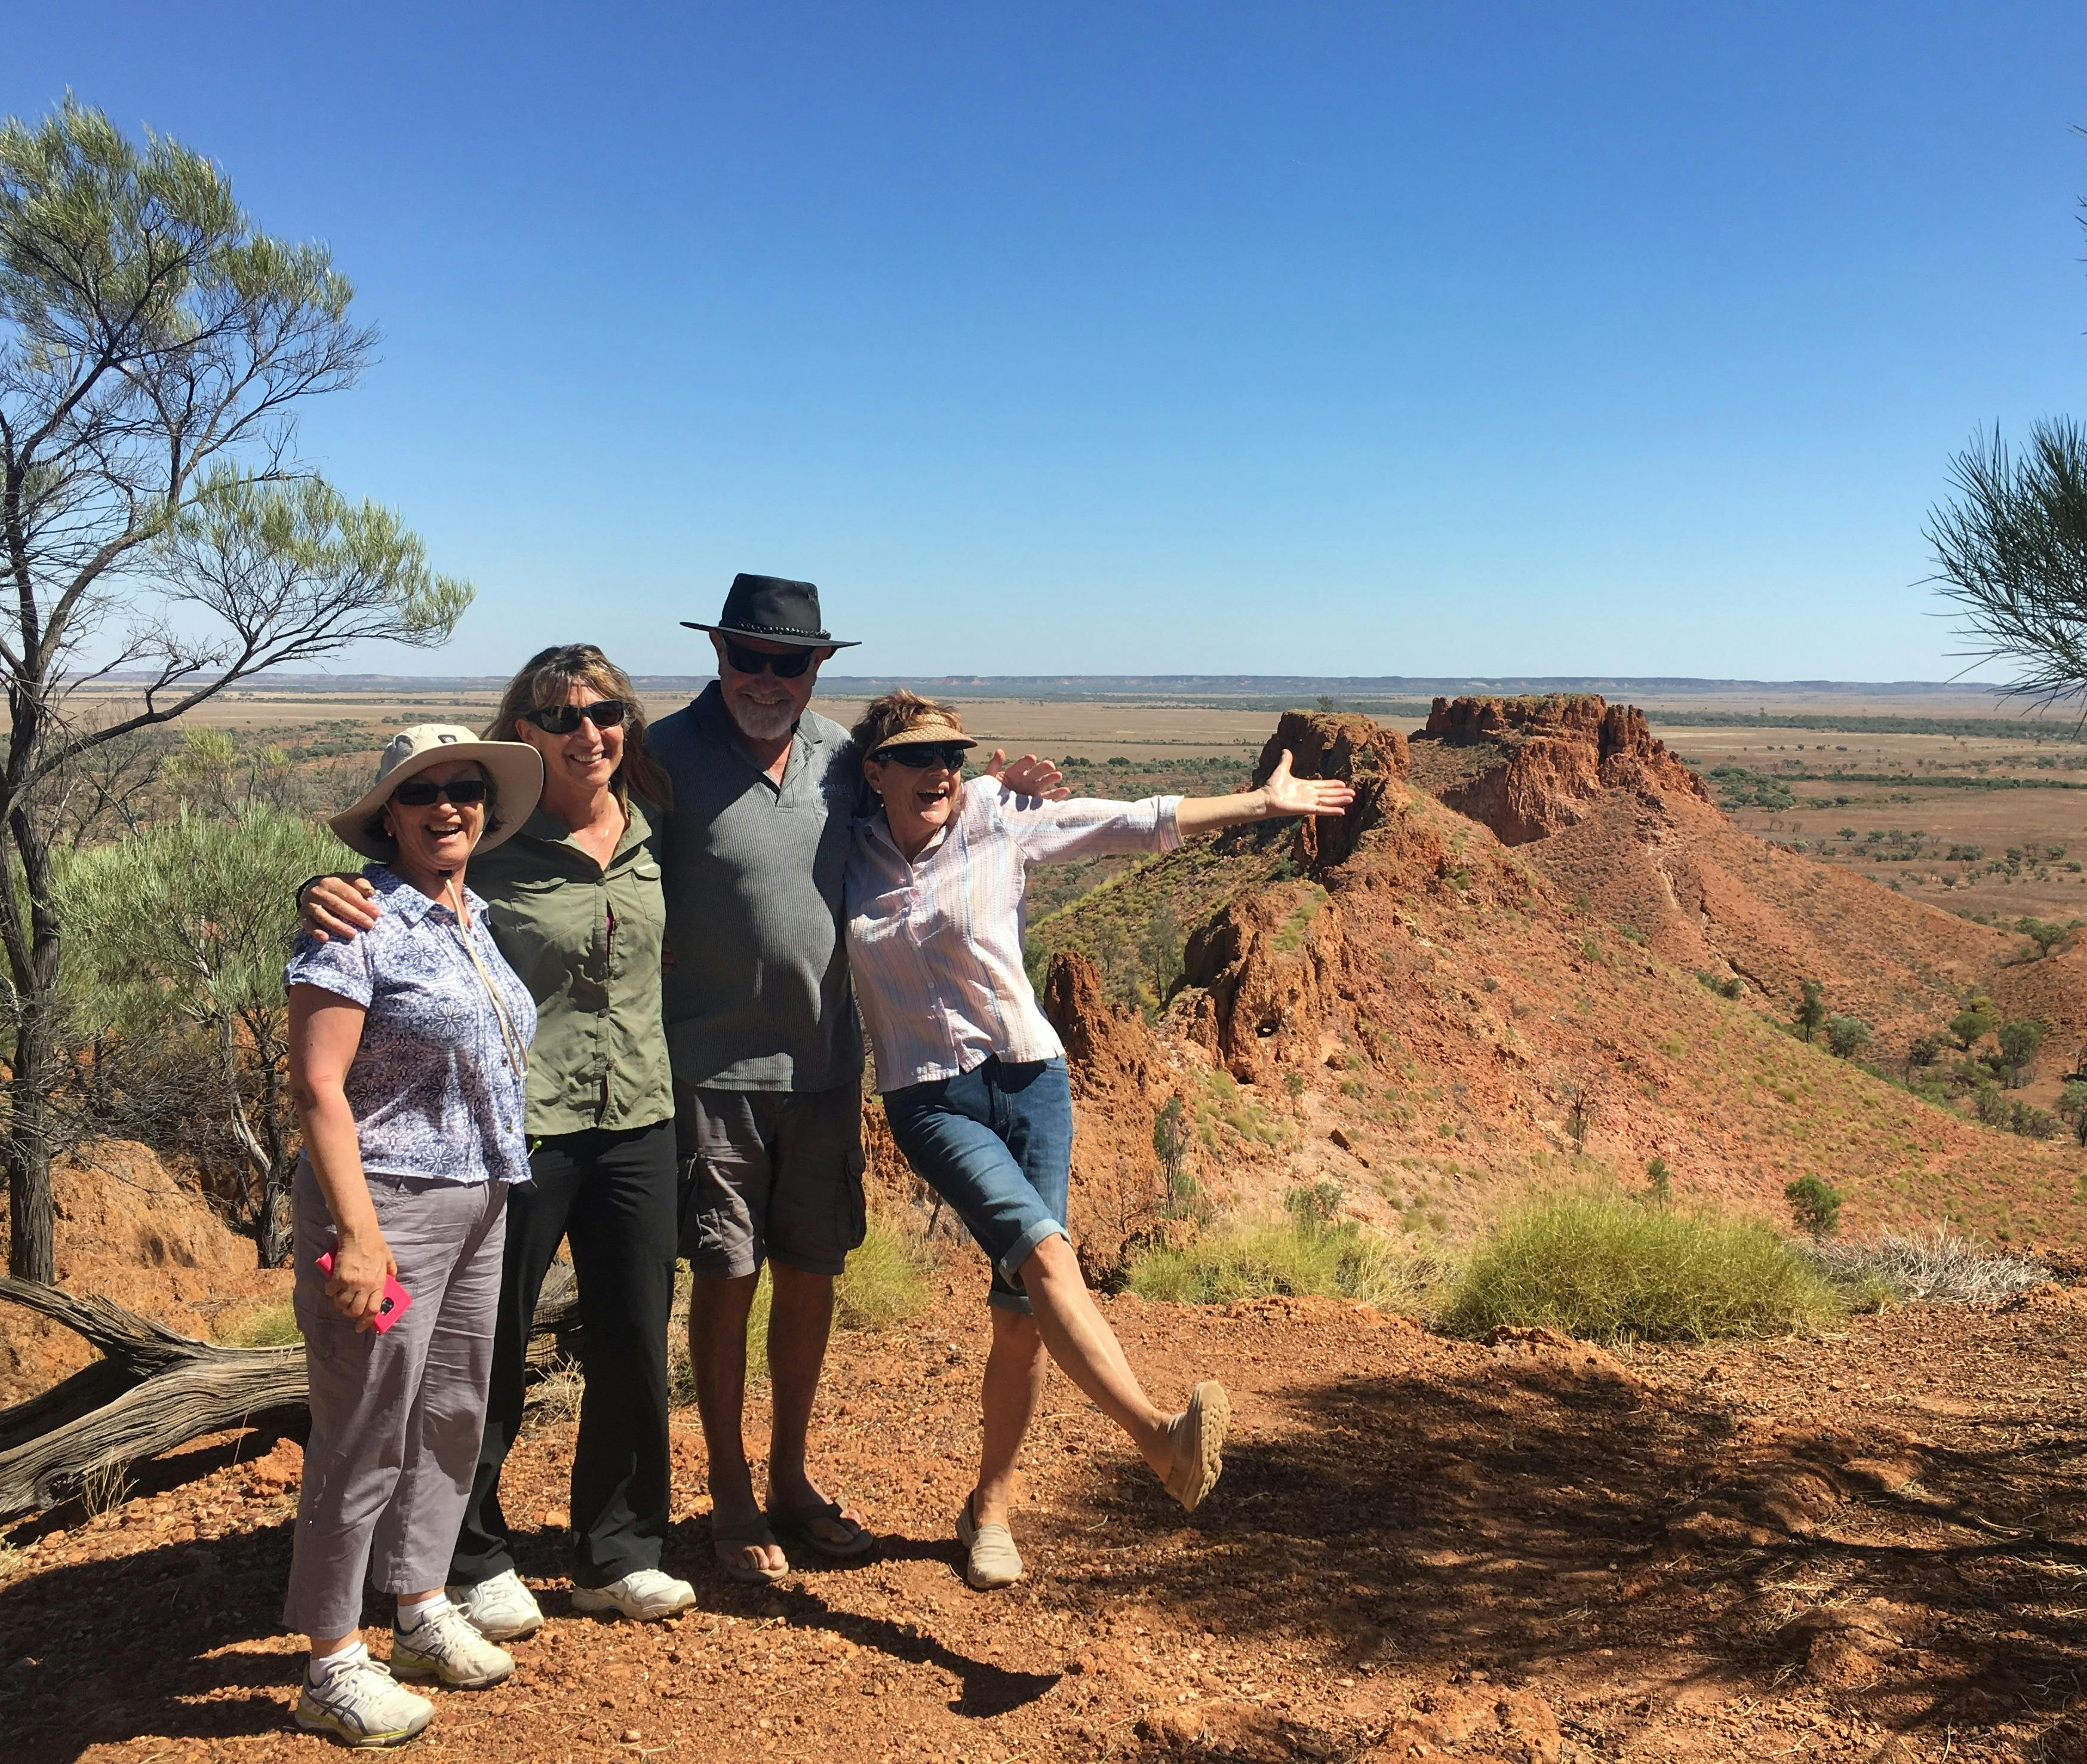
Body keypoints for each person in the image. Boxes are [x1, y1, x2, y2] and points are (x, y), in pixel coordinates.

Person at [843, 690, 1356, 1589]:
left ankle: (988, 1512)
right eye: (917, 756)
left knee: (1024, 1317)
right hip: (929, 1098)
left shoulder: (998, 816)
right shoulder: (837, 852)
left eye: (953, 757)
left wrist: (1262, 804)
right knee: (1044, 1256)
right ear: (873, 769)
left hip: (1032, 1080)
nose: (940, 772)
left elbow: (1137, 824)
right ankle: (1161, 1444)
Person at [647, 573, 1062, 1582]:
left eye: (789, 661)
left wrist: (1014, 796)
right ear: (718, 656)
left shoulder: (843, 756)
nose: (766, 678)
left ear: (817, 667)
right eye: (748, 656)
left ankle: (790, 1479)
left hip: (828, 1068)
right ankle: (732, 1497)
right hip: (711, 1072)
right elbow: (549, 837)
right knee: (727, 1274)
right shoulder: (658, 756)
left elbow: (932, 821)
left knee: (810, 1273)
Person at [299, 647, 695, 1637]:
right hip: (517, 1137)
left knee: (636, 1343)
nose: (587, 732)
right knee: (487, 1354)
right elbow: (394, 900)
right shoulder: (491, 845)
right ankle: (466, 1555)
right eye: (562, 717)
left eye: (606, 711)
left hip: (638, 1111)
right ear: (524, 733)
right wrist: (321, 885)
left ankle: (620, 1552)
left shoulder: (656, 829)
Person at [282, 724, 543, 1747]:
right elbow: (316, 1088)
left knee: (450, 1411)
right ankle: (331, 1662)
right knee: (362, 1426)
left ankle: (422, 1603)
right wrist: (356, 1236)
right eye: (423, 791)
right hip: (384, 1209)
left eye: (466, 788)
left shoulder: (468, 913)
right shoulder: (353, 923)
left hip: (478, 1200)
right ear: (388, 812)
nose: (449, 806)